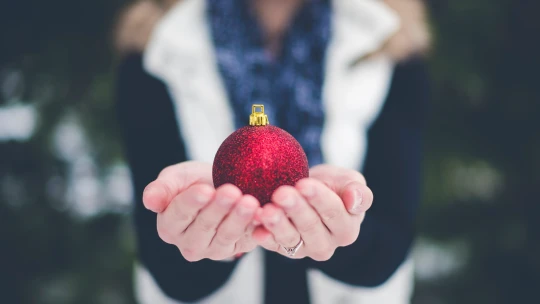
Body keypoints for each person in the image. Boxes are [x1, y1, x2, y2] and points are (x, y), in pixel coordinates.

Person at [115, 0, 430, 303]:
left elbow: (392, 236)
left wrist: (342, 234)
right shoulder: (157, 45)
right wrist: (213, 242)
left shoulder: (391, 39)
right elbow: (167, 266)